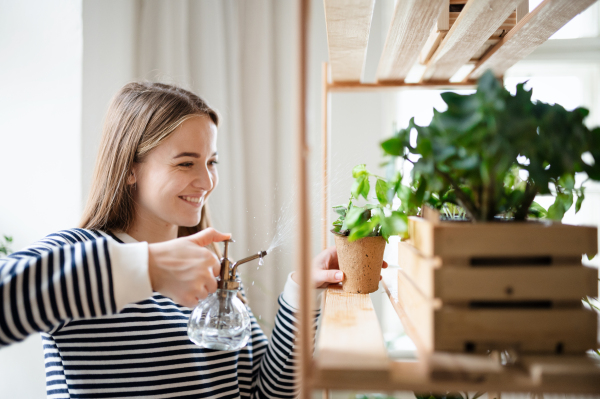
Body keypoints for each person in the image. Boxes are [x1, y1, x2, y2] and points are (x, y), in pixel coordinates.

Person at [0, 82, 386, 398]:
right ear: (129, 169)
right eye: (186, 162)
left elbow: (264, 393)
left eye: (211, 161)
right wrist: (148, 268)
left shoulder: (213, 268)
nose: (207, 181)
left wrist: (299, 297)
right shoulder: (77, 252)